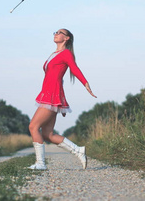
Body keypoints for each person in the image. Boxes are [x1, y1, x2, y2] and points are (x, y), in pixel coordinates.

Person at [28, 28, 97, 170]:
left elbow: (75, 69)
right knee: (48, 134)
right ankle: (78, 150)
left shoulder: (66, 54)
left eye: (60, 33)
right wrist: (61, 101)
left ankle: (40, 163)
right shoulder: (54, 54)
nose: (56, 34)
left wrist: (86, 83)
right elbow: (55, 78)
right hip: (49, 95)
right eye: (55, 32)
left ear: (66, 38)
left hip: (51, 96)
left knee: (33, 127)